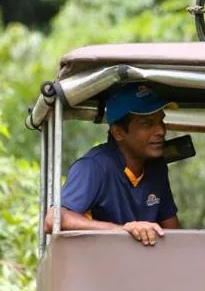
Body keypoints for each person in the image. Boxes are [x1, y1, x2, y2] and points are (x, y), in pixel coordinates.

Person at [45, 84, 181, 246]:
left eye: (161, 121)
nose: (160, 131)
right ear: (118, 132)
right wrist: (122, 231)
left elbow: (174, 234)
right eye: (147, 124)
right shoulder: (94, 166)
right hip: (98, 267)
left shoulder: (156, 167)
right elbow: (53, 219)